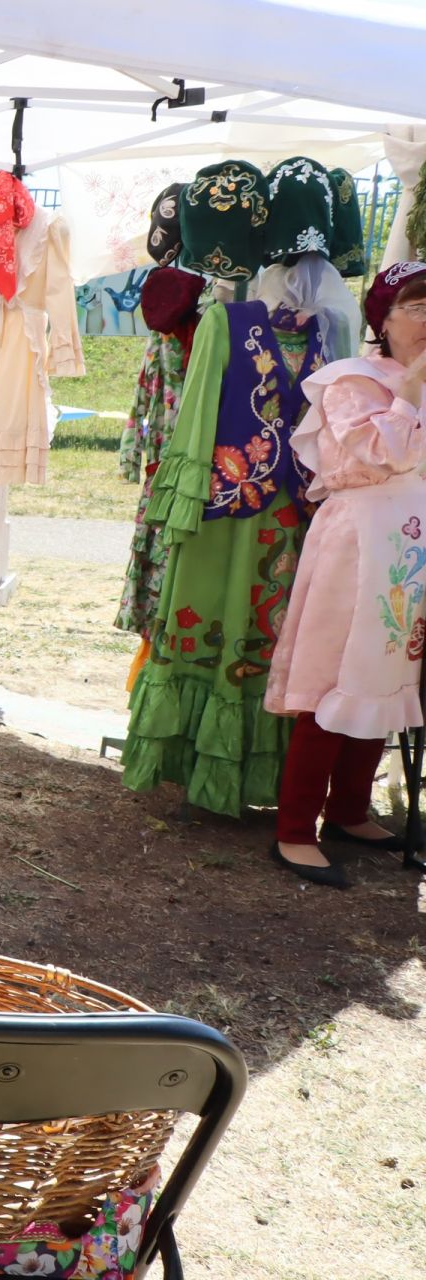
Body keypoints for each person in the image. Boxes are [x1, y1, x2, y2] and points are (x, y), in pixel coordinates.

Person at [263, 260, 426, 887]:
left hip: (408, 544)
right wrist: (410, 387)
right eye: (416, 308)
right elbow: (382, 453)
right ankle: (296, 828)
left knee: (386, 669)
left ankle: (351, 809)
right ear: (381, 320)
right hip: (360, 539)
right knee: (336, 672)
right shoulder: (349, 382)